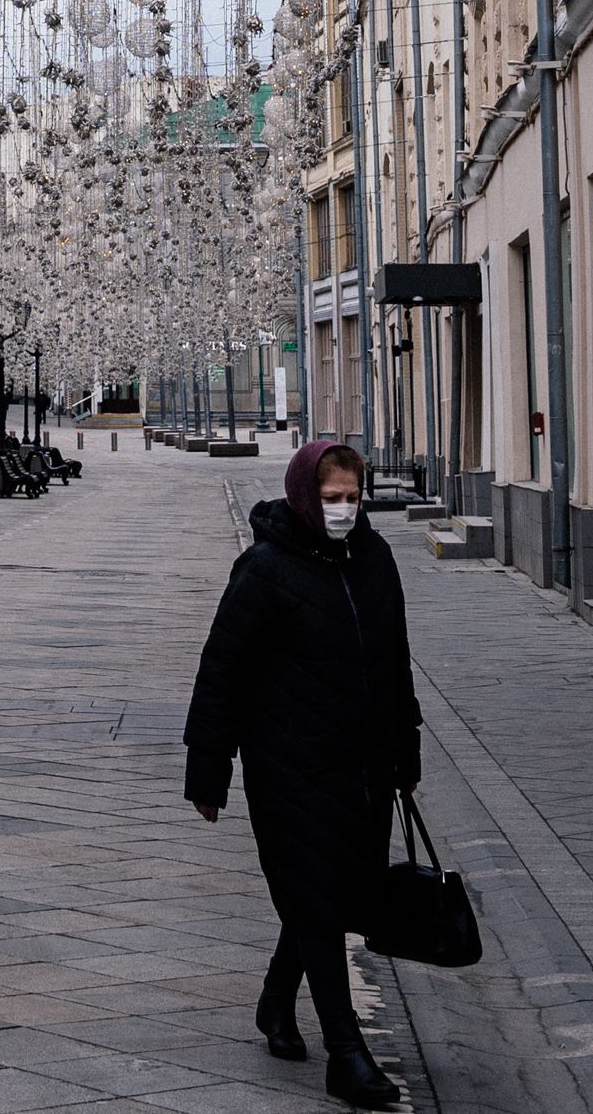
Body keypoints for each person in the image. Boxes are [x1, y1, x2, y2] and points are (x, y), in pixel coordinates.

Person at [183, 438, 421, 1108]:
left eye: (352, 497)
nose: (343, 509)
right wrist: (209, 769)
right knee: (314, 891)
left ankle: (276, 999)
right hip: (289, 763)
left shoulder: (374, 558)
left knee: (336, 892)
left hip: (365, 761)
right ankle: (346, 1052)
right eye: (330, 498)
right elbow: (221, 667)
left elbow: (396, 658)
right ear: (302, 495)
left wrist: (406, 751)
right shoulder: (264, 569)